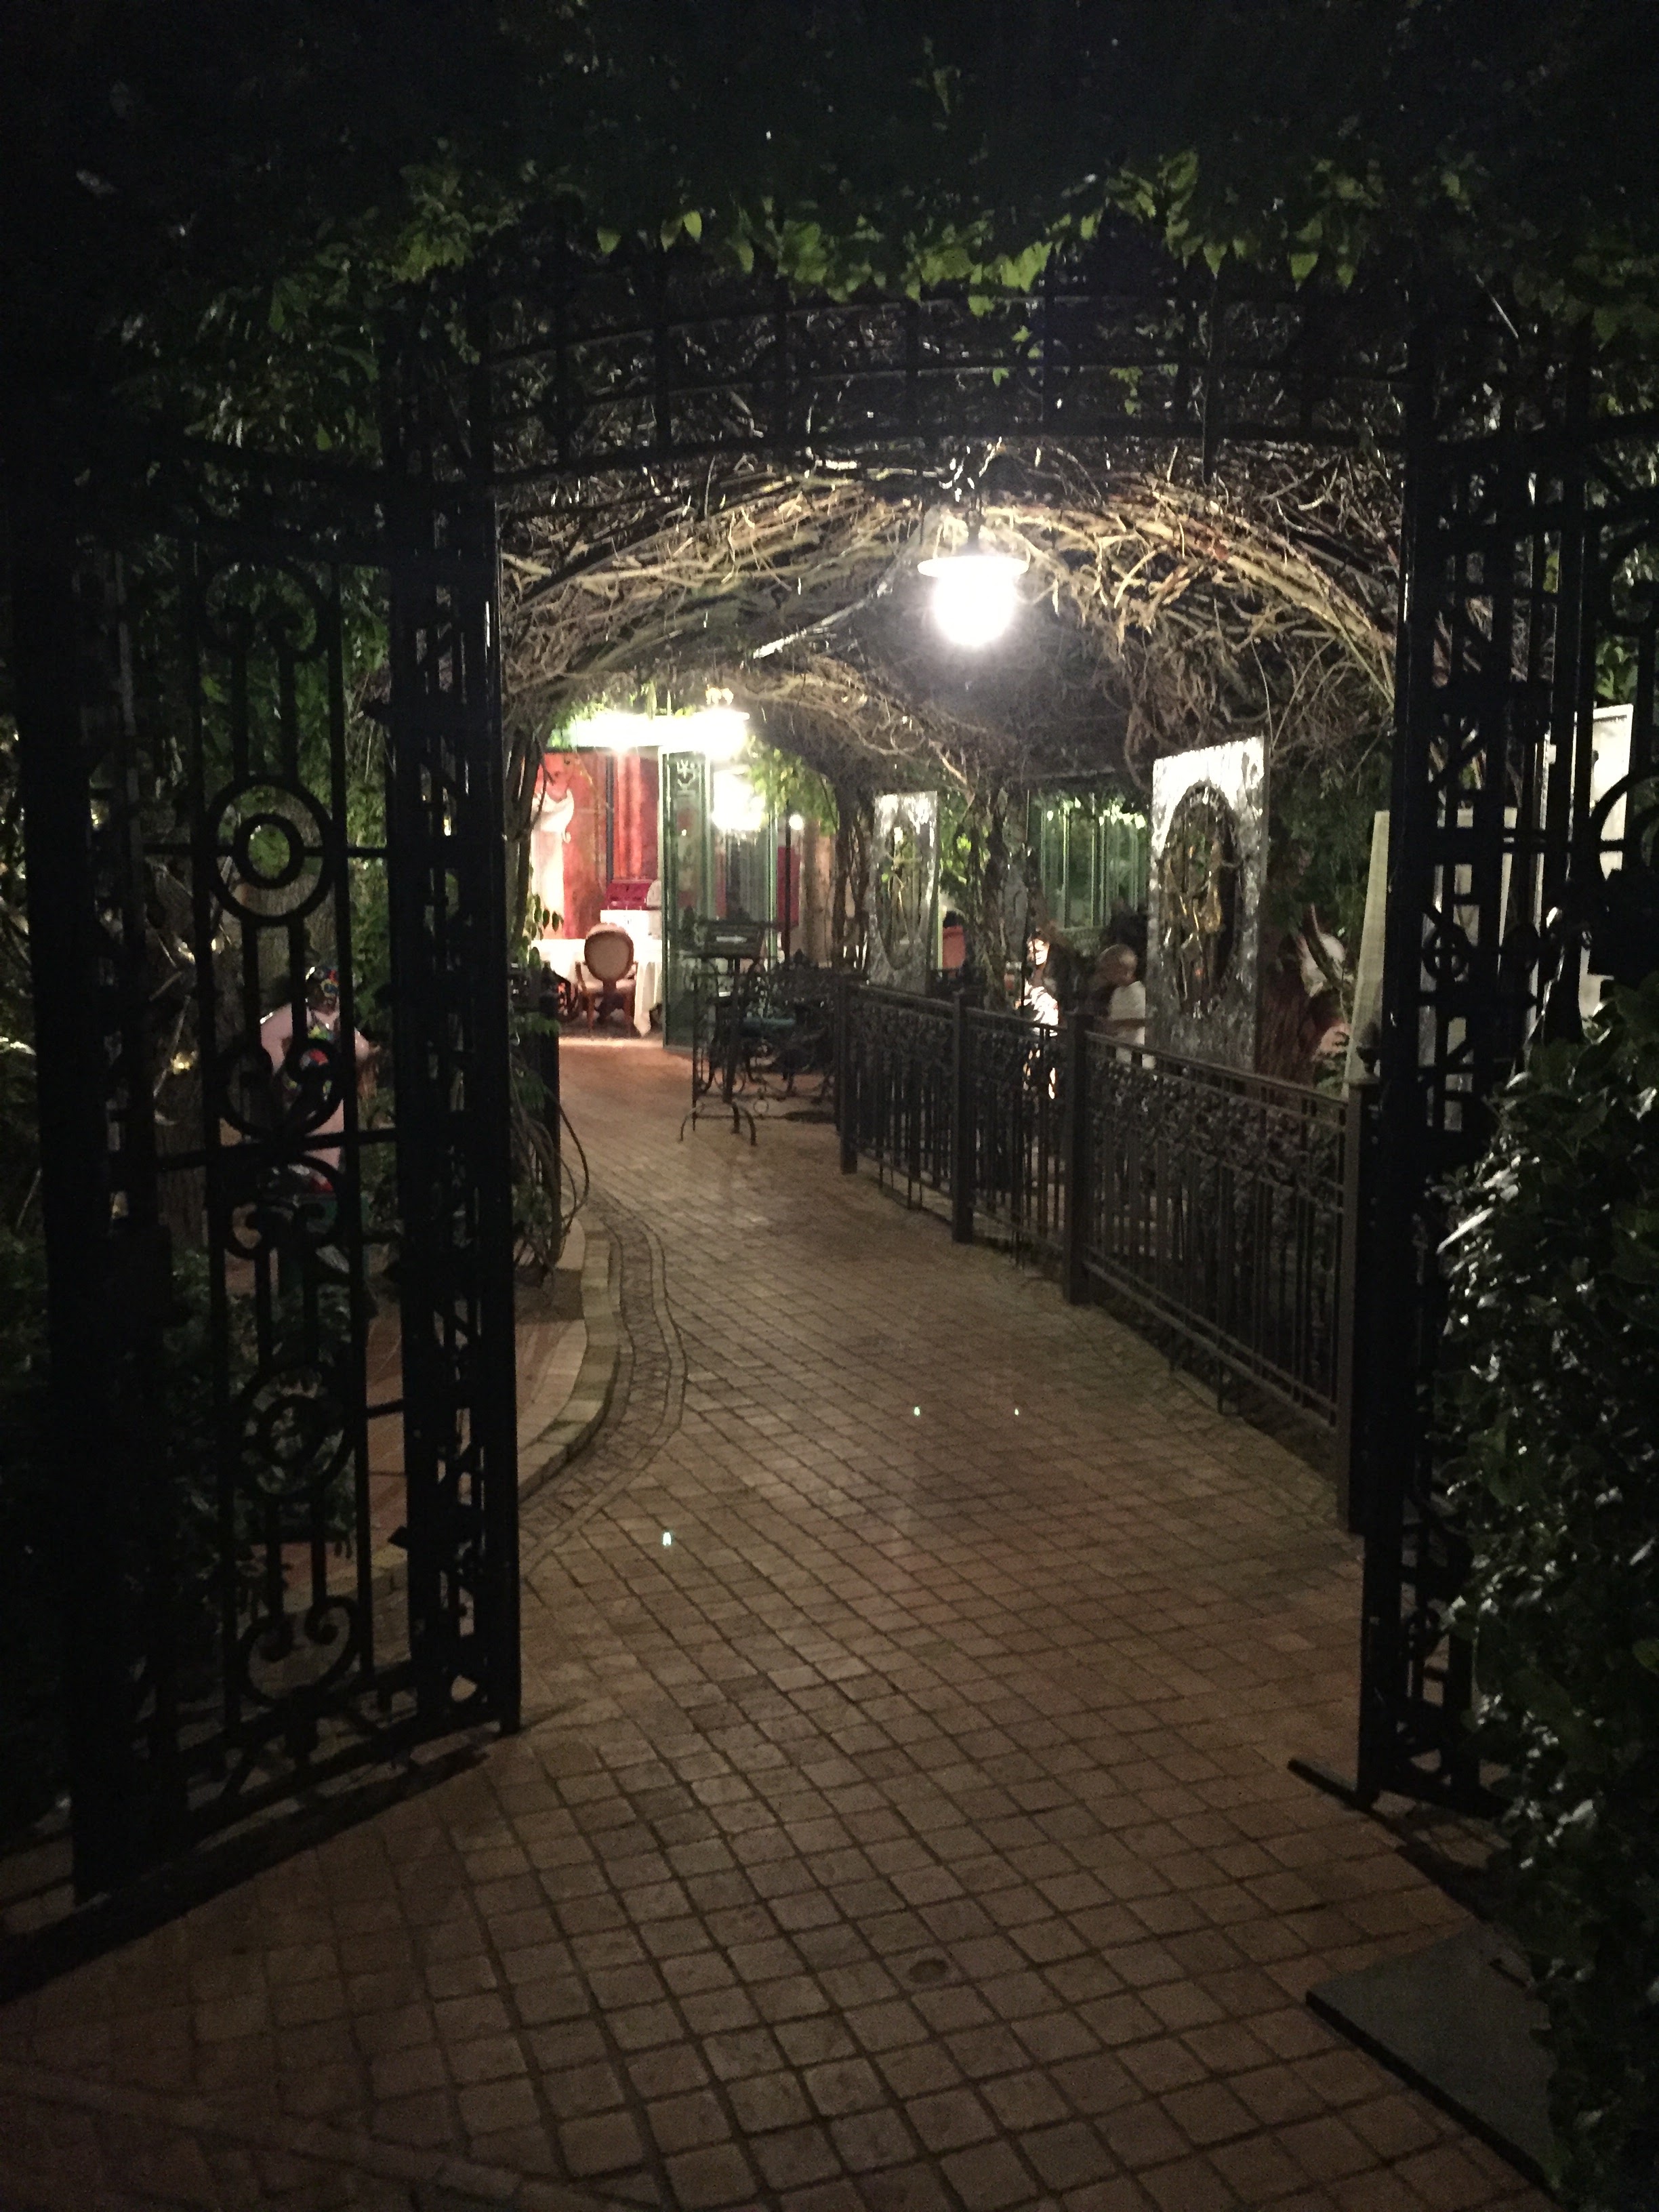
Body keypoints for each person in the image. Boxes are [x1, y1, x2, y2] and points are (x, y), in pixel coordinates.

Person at [259, 964, 376, 1178]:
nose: (328, 999)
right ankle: (292, 1159)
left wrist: (350, 1037)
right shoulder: (303, 1013)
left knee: (336, 1119)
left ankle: (323, 1173)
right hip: (302, 1079)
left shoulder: (340, 1021)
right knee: (305, 1114)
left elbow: (362, 1050)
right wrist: (278, 1066)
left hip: (331, 1083)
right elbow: (267, 1035)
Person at [1092, 942, 1147, 1048]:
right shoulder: (1117, 992)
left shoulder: (1139, 992)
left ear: (1122, 968)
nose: (1105, 974)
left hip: (1137, 1053)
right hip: (1122, 1052)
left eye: (1108, 968)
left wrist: (1119, 1024)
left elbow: (1145, 1020)